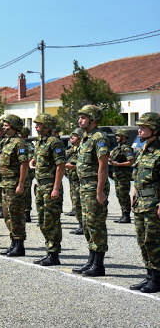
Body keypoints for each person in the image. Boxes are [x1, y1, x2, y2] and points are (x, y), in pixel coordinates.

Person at [73, 105, 110, 277]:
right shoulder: (86, 137)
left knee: (96, 225)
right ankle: (91, 260)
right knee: (87, 225)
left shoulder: (99, 137)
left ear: (93, 119)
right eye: (80, 117)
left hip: (94, 186)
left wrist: (100, 191)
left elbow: (103, 166)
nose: (80, 120)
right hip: (84, 186)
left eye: (83, 117)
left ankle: (99, 265)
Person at [130, 112, 160, 293]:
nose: (139, 129)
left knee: (153, 241)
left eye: (143, 127)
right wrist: (134, 194)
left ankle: (157, 279)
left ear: (155, 130)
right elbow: (138, 177)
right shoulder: (143, 151)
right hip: (141, 202)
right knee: (143, 241)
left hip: (153, 203)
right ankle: (149, 275)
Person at [31, 113, 65, 266]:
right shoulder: (39, 142)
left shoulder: (54, 142)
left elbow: (60, 166)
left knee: (52, 220)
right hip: (40, 186)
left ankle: (53, 253)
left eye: (38, 124)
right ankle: (49, 250)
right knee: (42, 221)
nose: (36, 126)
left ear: (46, 126)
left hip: (51, 186)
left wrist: (56, 188)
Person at [0, 115, 29, 257]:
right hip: (5, 183)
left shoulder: (19, 143)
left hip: (14, 183)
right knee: (7, 214)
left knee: (16, 215)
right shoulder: (7, 142)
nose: (3, 127)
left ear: (13, 126)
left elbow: (24, 164)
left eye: (6, 125)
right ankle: (13, 243)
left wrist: (21, 184)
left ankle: (19, 245)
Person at [110, 128, 135, 224]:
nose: (116, 137)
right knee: (119, 195)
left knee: (124, 195)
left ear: (124, 137)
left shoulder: (126, 148)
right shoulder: (117, 148)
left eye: (118, 136)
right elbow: (110, 156)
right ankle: (123, 214)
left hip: (124, 176)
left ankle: (126, 216)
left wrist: (118, 164)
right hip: (117, 176)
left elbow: (131, 161)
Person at [65, 128, 84, 234]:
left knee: (79, 203)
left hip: (80, 180)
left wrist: (70, 166)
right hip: (72, 180)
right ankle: (81, 224)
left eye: (75, 135)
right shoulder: (70, 150)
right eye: (71, 135)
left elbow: (83, 165)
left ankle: (83, 225)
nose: (71, 137)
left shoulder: (82, 150)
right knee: (75, 203)